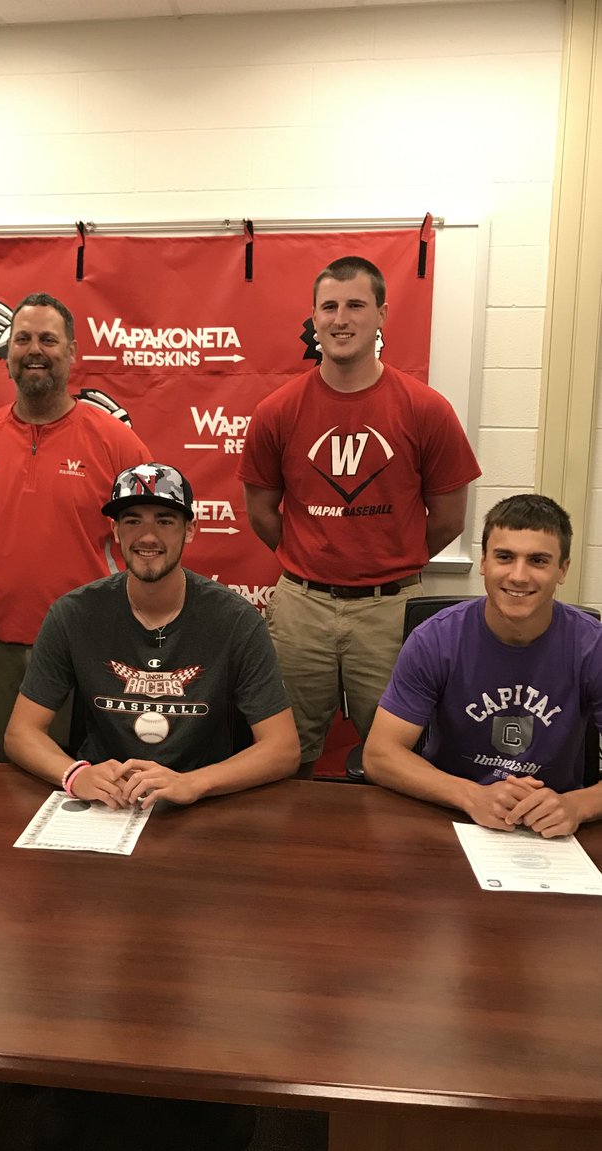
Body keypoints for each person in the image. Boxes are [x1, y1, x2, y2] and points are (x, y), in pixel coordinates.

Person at [239, 255, 481, 778]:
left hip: (391, 611)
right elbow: (261, 510)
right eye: (329, 306)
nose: (341, 318)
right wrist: (311, 555)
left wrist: (389, 556)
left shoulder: (425, 408)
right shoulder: (277, 410)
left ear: (382, 315)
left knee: (399, 761)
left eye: (355, 305)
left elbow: (449, 516)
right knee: (283, 756)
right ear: (314, 318)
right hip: (300, 607)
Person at [0, 291, 150, 761]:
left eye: (49, 339)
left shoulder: (118, 443)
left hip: (90, 643)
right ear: (6, 353)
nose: (34, 349)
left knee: (87, 776)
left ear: (72, 353)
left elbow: (148, 544)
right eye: (22, 338)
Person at [4, 462, 300, 808]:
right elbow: (20, 733)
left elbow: (283, 749)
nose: (147, 536)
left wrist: (194, 783)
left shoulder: (235, 620)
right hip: (105, 805)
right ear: (115, 531)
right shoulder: (74, 614)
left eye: (164, 520)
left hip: (202, 802)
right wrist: (75, 773)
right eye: (133, 521)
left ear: (189, 529)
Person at [363, 494, 602, 838]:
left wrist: (577, 806)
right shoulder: (436, 638)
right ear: (484, 562)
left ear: (562, 569)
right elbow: (379, 755)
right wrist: (471, 795)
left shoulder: (592, 646)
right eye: (505, 557)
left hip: (552, 826)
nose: (519, 575)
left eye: (538, 560)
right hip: (451, 814)